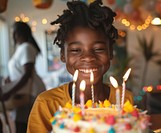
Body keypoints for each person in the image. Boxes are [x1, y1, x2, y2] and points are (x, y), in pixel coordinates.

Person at [27, 0, 133, 132]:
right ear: (63, 55)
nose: (88, 57)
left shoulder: (125, 100)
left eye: (99, 49)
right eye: (76, 50)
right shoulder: (47, 104)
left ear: (110, 53)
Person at [0, 21, 46, 133]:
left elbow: (26, 75)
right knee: (21, 124)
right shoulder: (21, 48)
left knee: (23, 126)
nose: (12, 35)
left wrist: (10, 91)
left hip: (29, 92)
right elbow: (21, 73)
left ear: (17, 33)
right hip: (23, 91)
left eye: (13, 32)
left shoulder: (26, 47)